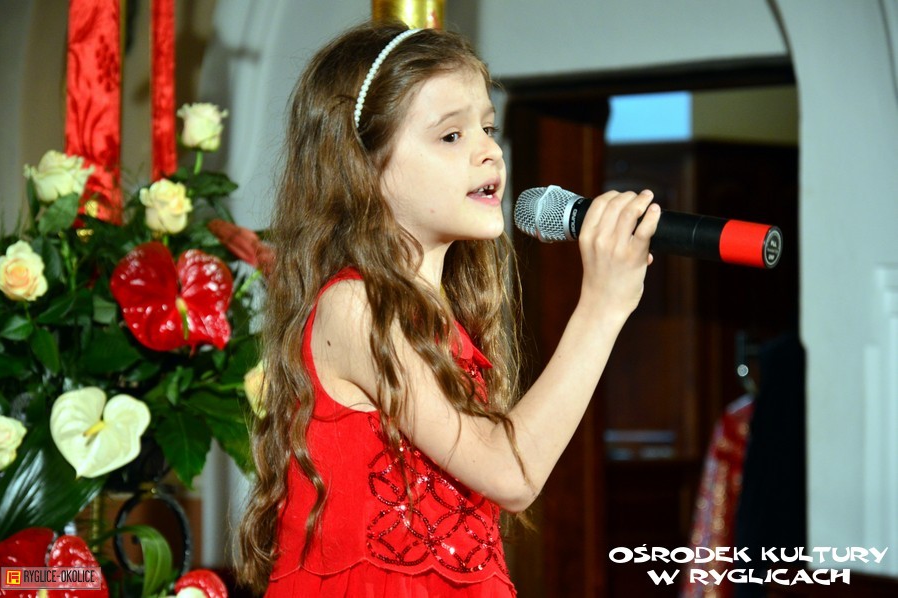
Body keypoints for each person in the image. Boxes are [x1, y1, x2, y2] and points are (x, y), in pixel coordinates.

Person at [237, 21, 660, 597]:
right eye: (451, 135)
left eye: (488, 127)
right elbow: (509, 473)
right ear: (363, 166)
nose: (489, 150)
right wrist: (602, 306)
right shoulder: (355, 306)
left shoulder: (444, 323)